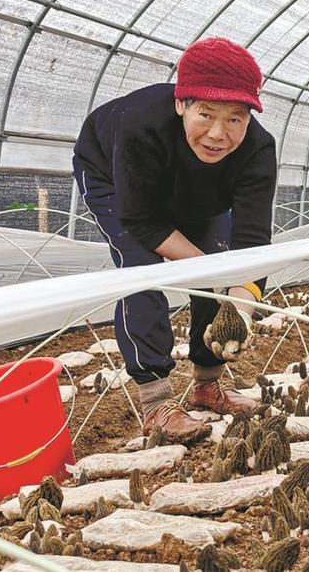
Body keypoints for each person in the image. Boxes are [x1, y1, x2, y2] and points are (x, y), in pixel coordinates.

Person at [73, 37, 277, 443]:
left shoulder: (258, 149)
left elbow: (252, 241)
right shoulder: (139, 126)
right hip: (117, 184)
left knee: (218, 265)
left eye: (236, 118)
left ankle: (207, 384)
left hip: (196, 192)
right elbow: (143, 222)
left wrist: (238, 308)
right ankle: (155, 401)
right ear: (181, 103)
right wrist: (208, 272)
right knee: (143, 270)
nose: (219, 133)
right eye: (206, 114)